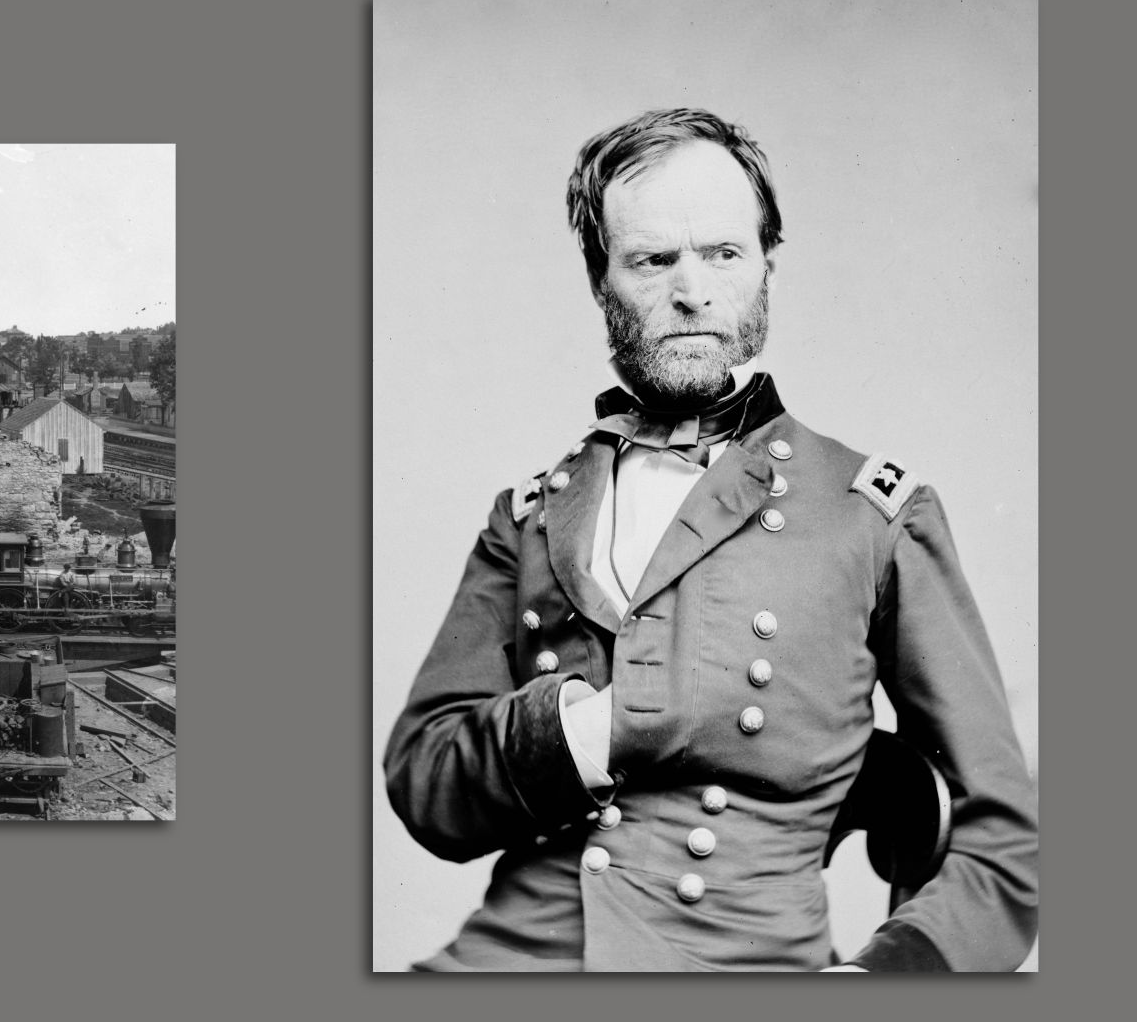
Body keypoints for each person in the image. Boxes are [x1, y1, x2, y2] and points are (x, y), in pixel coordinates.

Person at [382, 109, 1037, 972]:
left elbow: (1004, 846)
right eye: (652, 260)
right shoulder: (532, 514)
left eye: (724, 254)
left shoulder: (872, 513)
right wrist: (597, 730)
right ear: (600, 280)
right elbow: (426, 782)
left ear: (767, 264)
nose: (692, 291)